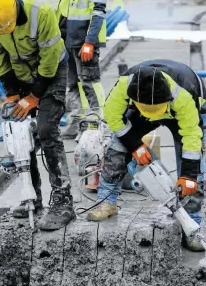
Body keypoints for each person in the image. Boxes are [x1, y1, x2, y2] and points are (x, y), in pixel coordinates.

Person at [0, 0, 75, 231]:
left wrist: (35, 96)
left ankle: (63, 202)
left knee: (46, 130)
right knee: (19, 131)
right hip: (20, 74)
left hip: (51, 72)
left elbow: (50, 58)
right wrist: (11, 94)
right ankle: (33, 196)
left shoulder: (40, 11)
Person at [87, 59, 205, 252]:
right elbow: (113, 116)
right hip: (142, 111)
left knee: (193, 169)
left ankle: (191, 223)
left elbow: (192, 135)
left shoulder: (183, 95)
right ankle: (107, 202)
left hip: (185, 112)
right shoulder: (124, 86)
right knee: (117, 147)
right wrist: (135, 146)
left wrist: (189, 175)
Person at [56, 0, 107, 139]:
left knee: (89, 82)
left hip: (84, 42)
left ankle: (97, 124)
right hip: (67, 42)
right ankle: (76, 123)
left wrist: (90, 42)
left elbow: (98, 12)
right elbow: (61, 13)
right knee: (72, 85)